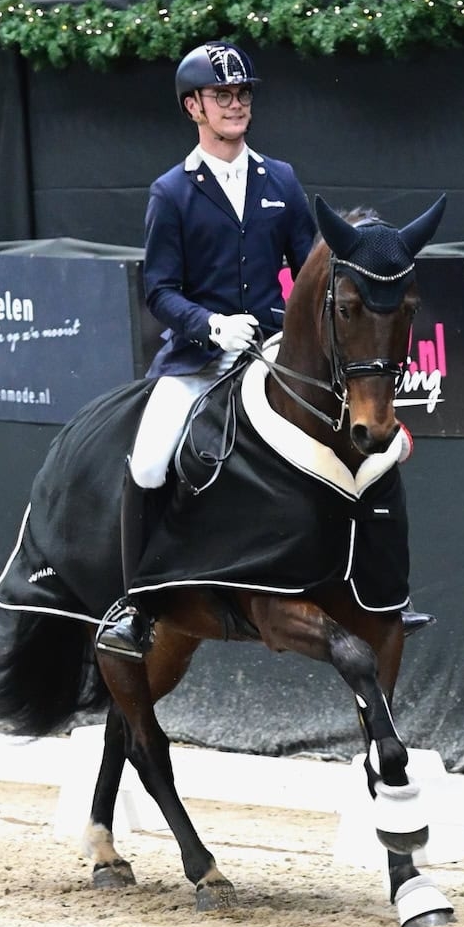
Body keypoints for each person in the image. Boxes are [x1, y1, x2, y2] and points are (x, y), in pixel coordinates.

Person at [95, 41, 317, 658]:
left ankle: (368, 586)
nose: (236, 104)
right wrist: (212, 326)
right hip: (200, 359)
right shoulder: (172, 192)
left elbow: (310, 271)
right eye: (222, 96)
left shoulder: (282, 180)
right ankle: (135, 604)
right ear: (194, 106)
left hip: (270, 354)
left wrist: (290, 333)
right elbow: (159, 291)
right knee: (146, 462)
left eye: (243, 94)